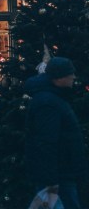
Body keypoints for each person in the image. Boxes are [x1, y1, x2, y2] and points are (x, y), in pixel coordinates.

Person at [25, 57, 88, 209]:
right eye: (70, 74)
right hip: (59, 175)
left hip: (61, 173)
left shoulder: (52, 99)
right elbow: (46, 142)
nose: (73, 77)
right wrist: (51, 180)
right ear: (59, 78)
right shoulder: (48, 103)